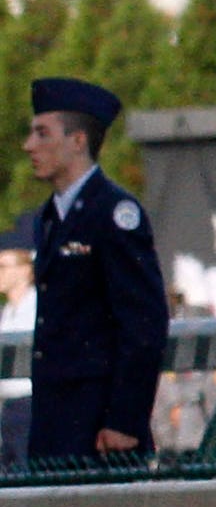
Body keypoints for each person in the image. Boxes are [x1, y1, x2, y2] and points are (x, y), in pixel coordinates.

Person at [22, 77, 167, 466]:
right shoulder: (51, 218)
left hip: (99, 427)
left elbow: (143, 323)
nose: (29, 146)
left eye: (42, 133)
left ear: (77, 141)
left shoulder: (114, 213)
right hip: (56, 420)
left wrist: (124, 420)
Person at [0, 223, 31, 468]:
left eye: (3, 266)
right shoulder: (7, 312)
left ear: (26, 270)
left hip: (30, 406)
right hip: (9, 408)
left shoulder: (37, 309)